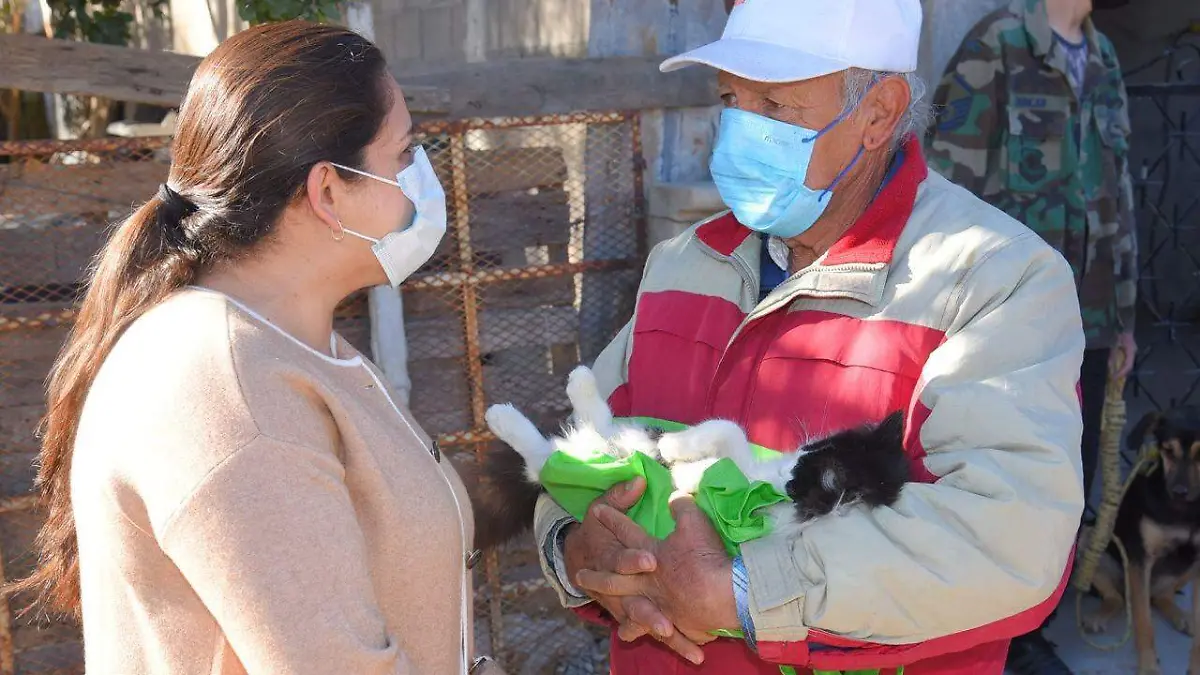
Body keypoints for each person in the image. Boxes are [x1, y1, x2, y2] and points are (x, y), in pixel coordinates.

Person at [528, 0, 1087, 673]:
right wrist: (574, 548)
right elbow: (580, 456)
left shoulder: (993, 278)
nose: (737, 129)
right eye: (731, 98)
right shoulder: (685, 263)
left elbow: (1009, 538)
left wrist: (741, 590)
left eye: (775, 105)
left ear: (878, 112)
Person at [6, 20, 500, 675]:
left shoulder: (280, 344)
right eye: (404, 153)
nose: (421, 175)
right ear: (328, 191)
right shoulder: (232, 388)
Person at [926, 0, 1137, 671]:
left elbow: (1121, 195)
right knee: (1003, 473)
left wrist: (1127, 320)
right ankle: (1005, 639)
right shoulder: (997, 44)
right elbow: (947, 186)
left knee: (1069, 475)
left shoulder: (1103, 59)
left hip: (1094, 316)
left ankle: (1032, 618)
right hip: (1012, 320)